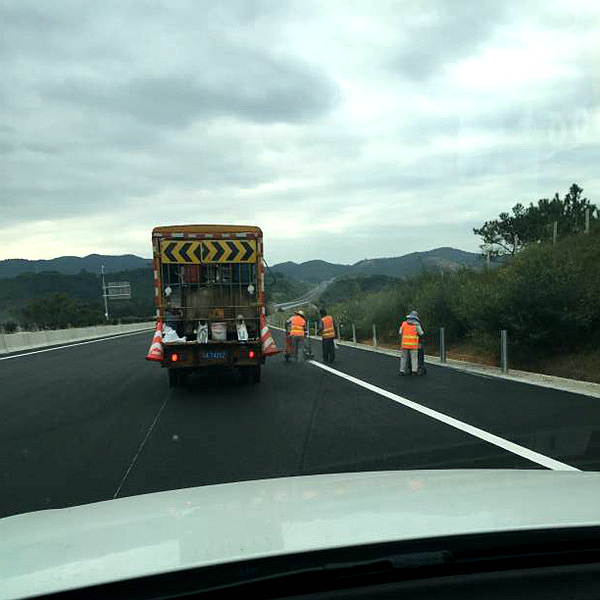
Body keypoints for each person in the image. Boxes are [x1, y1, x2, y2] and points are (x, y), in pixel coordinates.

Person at [399, 310, 424, 376]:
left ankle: (402, 371)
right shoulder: (417, 325)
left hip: (404, 344)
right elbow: (421, 333)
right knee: (414, 358)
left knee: (403, 358)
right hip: (413, 345)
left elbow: (400, 332)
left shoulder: (404, 323)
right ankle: (414, 371)